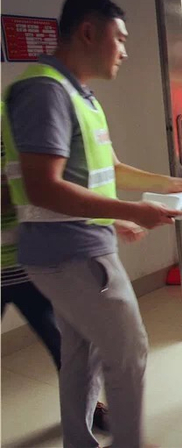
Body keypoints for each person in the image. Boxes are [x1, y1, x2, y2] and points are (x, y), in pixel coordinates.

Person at [1, 0, 182, 447]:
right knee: (129, 351)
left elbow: (112, 170)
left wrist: (168, 184)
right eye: (120, 38)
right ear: (88, 32)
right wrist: (131, 211)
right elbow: (43, 187)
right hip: (69, 254)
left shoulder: (81, 96)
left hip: (76, 245)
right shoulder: (45, 91)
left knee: (82, 352)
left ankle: (79, 440)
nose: (125, 51)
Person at [1, 138, 111, 432]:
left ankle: (87, 412)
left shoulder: (13, 127)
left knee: (70, 350)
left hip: (32, 267)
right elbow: (37, 188)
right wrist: (30, 185)